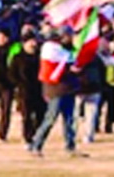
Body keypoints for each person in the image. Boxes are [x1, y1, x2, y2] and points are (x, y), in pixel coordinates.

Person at [29, 30, 85, 158]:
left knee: (69, 120)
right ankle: (36, 144)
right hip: (55, 90)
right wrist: (71, 70)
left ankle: (70, 146)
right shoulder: (52, 50)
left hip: (69, 89)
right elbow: (53, 72)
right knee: (50, 118)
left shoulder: (71, 51)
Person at [9, 32, 44, 144]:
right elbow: (11, 74)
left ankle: (37, 135)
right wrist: (18, 84)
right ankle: (27, 137)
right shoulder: (18, 58)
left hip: (39, 90)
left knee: (40, 114)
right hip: (24, 91)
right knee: (27, 116)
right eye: (30, 42)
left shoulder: (41, 56)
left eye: (34, 41)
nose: (33, 44)